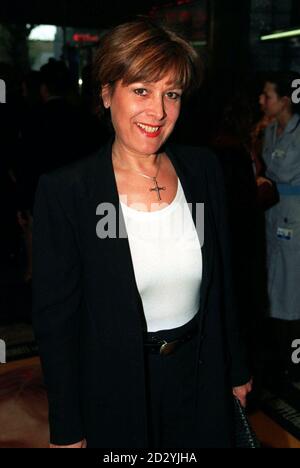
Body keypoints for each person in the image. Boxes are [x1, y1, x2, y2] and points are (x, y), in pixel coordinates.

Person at [32, 19, 252, 449]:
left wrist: (236, 368)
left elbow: (223, 282)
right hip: (116, 389)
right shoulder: (68, 192)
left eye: (171, 94)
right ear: (106, 92)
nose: (158, 111)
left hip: (200, 376)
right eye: (140, 91)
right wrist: (67, 424)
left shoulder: (202, 171)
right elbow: (57, 323)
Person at [259, 72, 300, 385]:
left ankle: (294, 358)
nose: (262, 101)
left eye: (268, 96)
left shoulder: (297, 133)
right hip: (274, 214)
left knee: (292, 284)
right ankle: (280, 354)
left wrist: (264, 171)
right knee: (275, 281)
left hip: (293, 216)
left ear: (285, 101)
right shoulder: (270, 129)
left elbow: (280, 170)